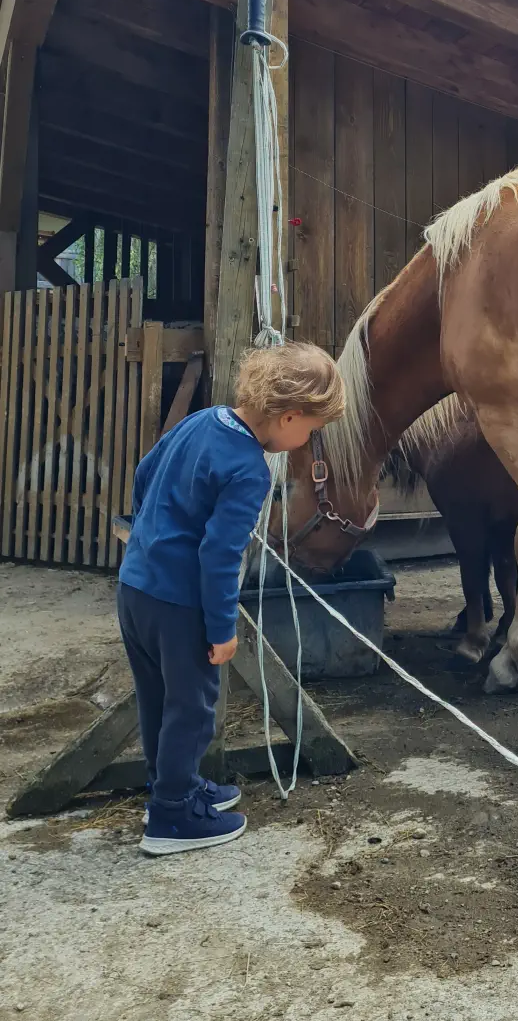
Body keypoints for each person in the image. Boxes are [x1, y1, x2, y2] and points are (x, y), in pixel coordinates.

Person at [117, 341, 346, 855]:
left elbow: (144, 473)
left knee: (158, 700)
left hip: (135, 589)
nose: (308, 439)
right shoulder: (250, 470)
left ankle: (170, 787)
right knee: (193, 707)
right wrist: (222, 630)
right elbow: (220, 555)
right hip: (180, 605)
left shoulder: (205, 420)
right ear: (288, 417)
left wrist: (150, 532)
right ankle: (172, 820)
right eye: (310, 430)